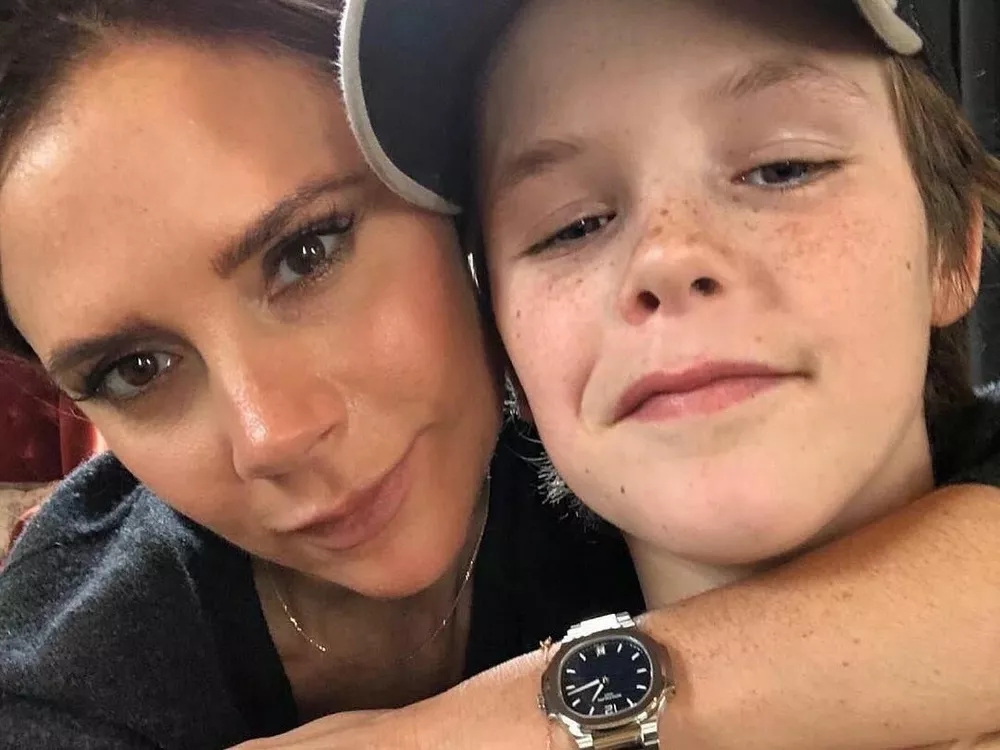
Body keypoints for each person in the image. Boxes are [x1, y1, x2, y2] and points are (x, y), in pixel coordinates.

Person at [1, 2, 999, 750]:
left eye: (308, 252)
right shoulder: (70, 680)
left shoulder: (655, 427)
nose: (275, 434)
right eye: (133, 369)